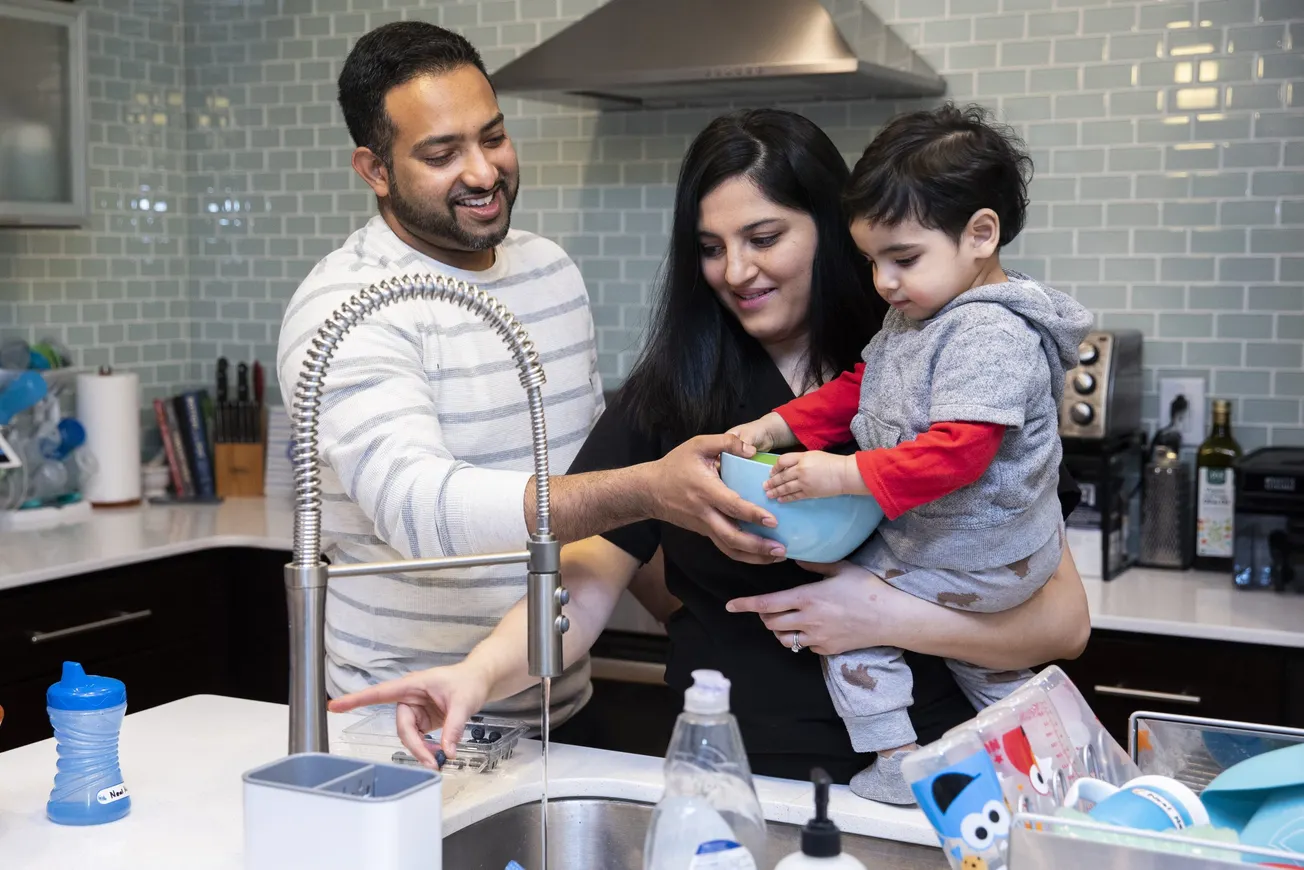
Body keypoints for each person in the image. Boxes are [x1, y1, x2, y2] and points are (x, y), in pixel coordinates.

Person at [329, 109, 1092, 788]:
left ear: (833, 229)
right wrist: (475, 676)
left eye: (763, 238)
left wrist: (879, 616)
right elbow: (583, 591)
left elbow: (1061, 624)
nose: (736, 271)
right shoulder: (671, 399)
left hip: (943, 770)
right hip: (739, 775)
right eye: (711, 246)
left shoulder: (937, 360)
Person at [275, 23, 784, 726]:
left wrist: (705, 623)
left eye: (492, 136)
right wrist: (647, 491)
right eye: (441, 153)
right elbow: (422, 510)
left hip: (557, 705)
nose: (483, 172)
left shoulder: (550, 271)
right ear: (374, 170)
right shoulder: (347, 307)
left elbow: (590, 498)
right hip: (406, 726)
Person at [729, 104, 1094, 803]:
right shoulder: (919, 317)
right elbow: (863, 388)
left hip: (979, 552)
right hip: (972, 547)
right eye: (873, 261)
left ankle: (898, 760)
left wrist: (842, 472)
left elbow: (958, 453)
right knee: (987, 670)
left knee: (847, 619)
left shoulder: (988, 334)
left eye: (903, 259)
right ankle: (1049, 761)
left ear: (980, 235)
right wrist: (779, 424)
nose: (884, 283)